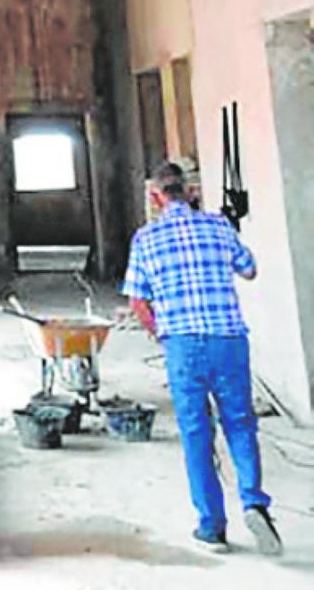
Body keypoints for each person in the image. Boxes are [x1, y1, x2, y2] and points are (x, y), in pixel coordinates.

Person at [122, 162, 282, 556]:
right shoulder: (218, 225)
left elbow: (138, 302)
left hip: (183, 344)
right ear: (191, 192)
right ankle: (253, 501)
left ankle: (212, 526)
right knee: (241, 423)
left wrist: (163, 333)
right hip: (227, 339)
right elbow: (249, 269)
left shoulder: (146, 238)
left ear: (156, 198)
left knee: (196, 433)